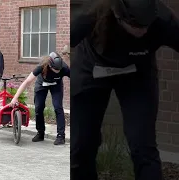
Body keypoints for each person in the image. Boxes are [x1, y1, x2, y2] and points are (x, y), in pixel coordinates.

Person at [70, 0, 179, 179]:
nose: (142, 31)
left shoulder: (163, 19)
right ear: (118, 17)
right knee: (81, 145)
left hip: (137, 75)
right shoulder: (91, 14)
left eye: (146, 25)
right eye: (135, 25)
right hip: (91, 70)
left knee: (143, 145)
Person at [10, 52, 70, 145]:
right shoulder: (41, 66)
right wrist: (15, 98)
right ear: (50, 65)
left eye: (59, 69)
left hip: (56, 86)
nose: (58, 71)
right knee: (38, 108)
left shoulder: (64, 68)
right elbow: (27, 81)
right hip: (42, 84)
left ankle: (61, 136)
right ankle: (40, 133)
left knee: (58, 108)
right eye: (55, 69)